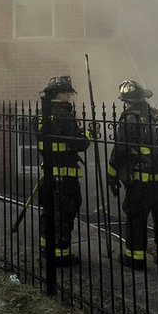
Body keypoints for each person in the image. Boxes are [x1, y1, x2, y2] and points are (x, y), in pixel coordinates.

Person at [107, 80, 158, 272]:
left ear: (126, 101)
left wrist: (112, 174)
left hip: (142, 183)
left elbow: (120, 150)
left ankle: (135, 258)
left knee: (136, 219)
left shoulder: (129, 119)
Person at [37, 75, 90, 266]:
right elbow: (80, 143)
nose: (69, 96)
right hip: (65, 178)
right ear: (60, 93)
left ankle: (46, 248)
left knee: (49, 214)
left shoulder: (43, 113)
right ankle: (60, 255)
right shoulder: (63, 114)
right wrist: (87, 134)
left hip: (50, 174)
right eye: (67, 93)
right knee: (64, 216)